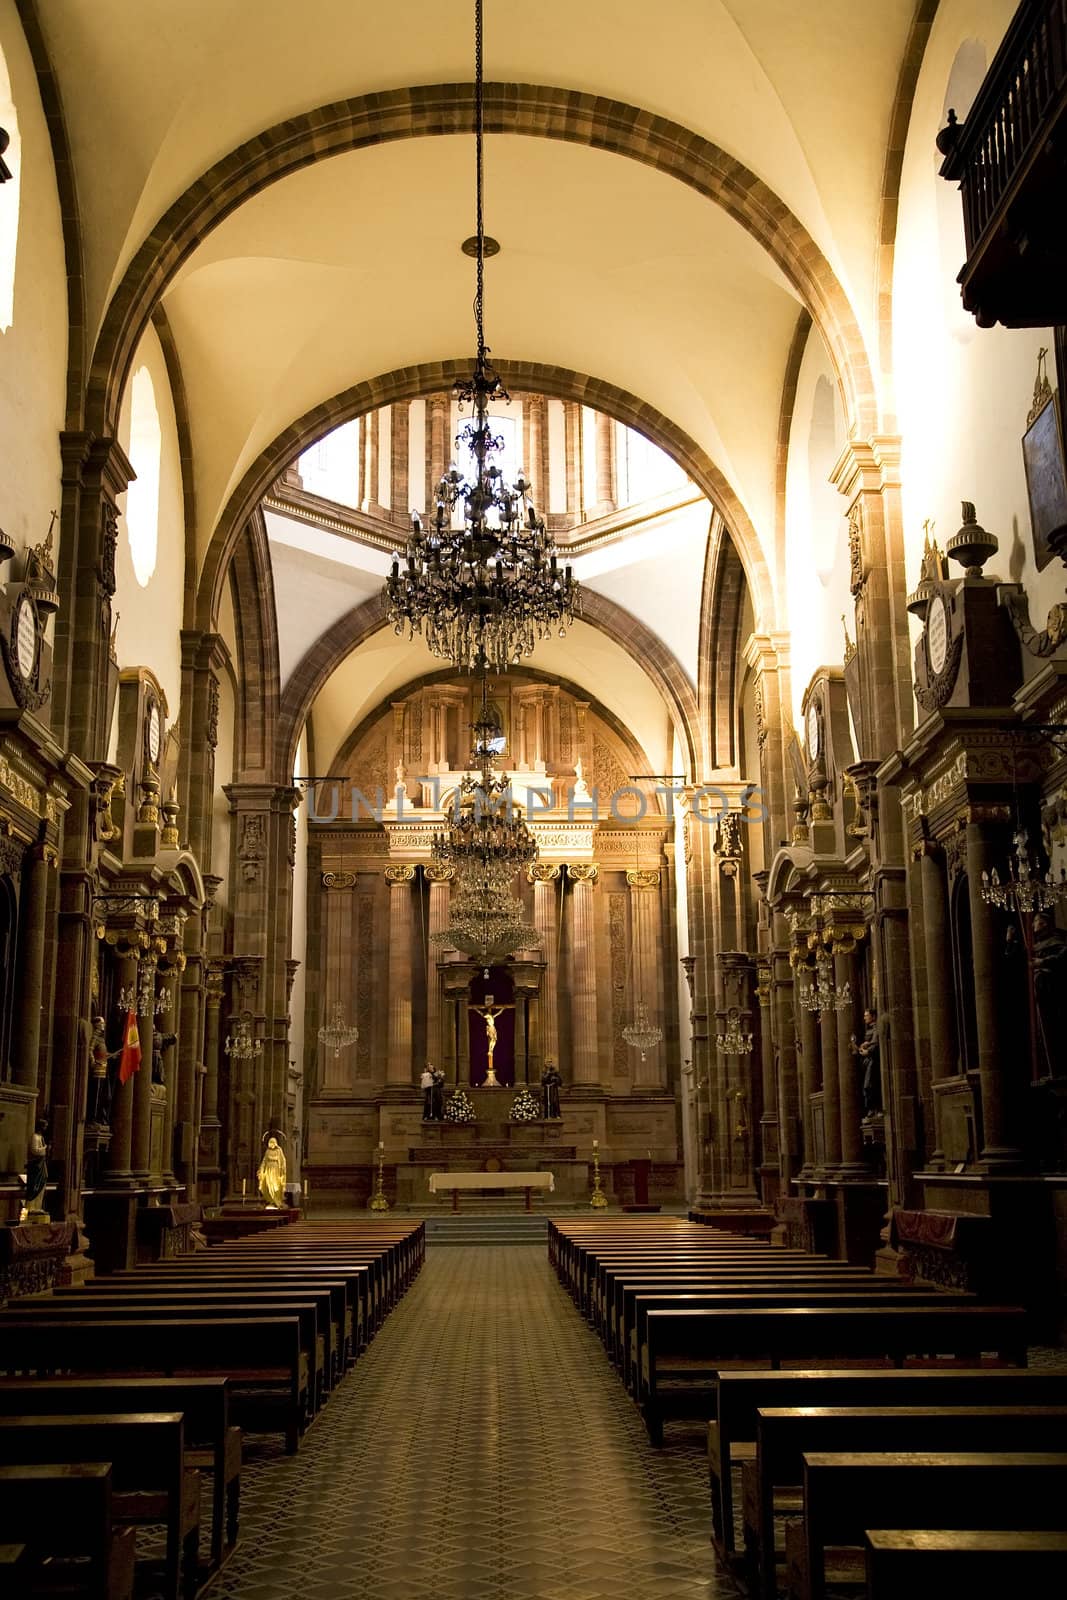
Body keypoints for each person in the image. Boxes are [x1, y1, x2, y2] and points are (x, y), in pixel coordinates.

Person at [88, 1015, 121, 1127]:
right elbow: (90, 1050)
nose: (104, 1025)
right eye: (102, 1023)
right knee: (95, 1096)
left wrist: (112, 1055)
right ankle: (92, 1119)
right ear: (96, 1024)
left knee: (103, 1096)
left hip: (103, 1070)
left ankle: (98, 1118)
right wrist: (93, 1061)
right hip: (97, 1070)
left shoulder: (101, 1038)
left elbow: (103, 1053)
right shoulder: (96, 1036)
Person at [851, 1007, 881, 1118]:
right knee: (866, 1085)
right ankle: (871, 1108)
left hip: (873, 1060)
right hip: (867, 1061)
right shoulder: (869, 1029)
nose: (864, 1018)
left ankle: (875, 1108)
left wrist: (867, 1049)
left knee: (869, 1085)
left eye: (866, 1015)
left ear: (873, 1016)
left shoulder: (877, 1028)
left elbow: (876, 1043)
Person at [20, 1119, 49, 1220]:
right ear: (40, 1126)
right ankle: (28, 1210)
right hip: (35, 1166)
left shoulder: (41, 1137)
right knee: (33, 1186)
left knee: (43, 1180)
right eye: (44, 1126)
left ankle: (37, 1207)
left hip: (41, 1164)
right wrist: (45, 1148)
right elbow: (34, 1150)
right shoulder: (35, 1137)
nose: (46, 1128)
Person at [257, 1133, 287, 1208]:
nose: (271, 1144)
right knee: (268, 1184)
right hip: (268, 1170)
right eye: (270, 1142)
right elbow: (264, 1160)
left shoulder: (279, 1150)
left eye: (272, 1142)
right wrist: (262, 1169)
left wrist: (282, 1170)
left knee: (275, 1185)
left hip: (276, 1170)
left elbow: (282, 1160)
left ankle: (277, 1200)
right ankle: (270, 1200)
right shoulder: (267, 1151)